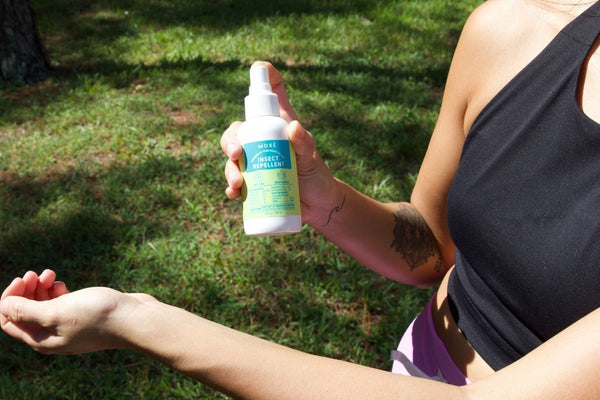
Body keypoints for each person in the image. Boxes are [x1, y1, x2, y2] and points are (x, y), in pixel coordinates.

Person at [1, 0, 599, 398]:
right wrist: (321, 198)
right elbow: (432, 249)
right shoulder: (515, 33)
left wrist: (132, 318)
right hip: (413, 367)